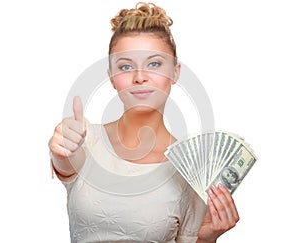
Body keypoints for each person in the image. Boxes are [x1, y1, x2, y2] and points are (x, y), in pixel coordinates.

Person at [49, 2, 239, 242]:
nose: (140, 77)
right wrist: (60, 147)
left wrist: (207, 238)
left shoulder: (190, 169)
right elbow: (64, 161)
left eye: (154, 64)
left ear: (175, 72)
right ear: (112, 77)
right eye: (126, 66)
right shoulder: (84, 141)